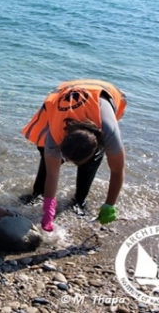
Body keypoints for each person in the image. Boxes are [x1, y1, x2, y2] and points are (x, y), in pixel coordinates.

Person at [21, 79, 127, 231]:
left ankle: (79, 201)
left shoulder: (108, 131)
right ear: (63, 140)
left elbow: (117, 170)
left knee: (91, 163)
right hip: (66, 91)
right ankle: (37, 192)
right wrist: (48, 210)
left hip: (104, 93)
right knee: (47, 159)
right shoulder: (55, 133)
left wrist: (109, 205)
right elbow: (53, 173)